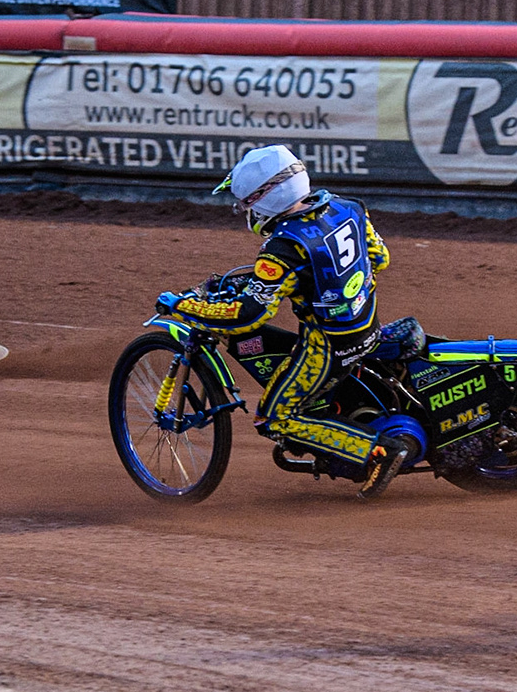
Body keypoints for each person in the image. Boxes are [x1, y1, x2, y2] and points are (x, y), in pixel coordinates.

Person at [159, 144, 410, 499]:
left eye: (246, 203)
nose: (246, 212)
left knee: (275, 417)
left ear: (263, 199)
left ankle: (377, 451)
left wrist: (185, 306)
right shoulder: (348, 207)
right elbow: (379, 258)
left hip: (327, 347)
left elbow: (247, 315)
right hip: (367, 325)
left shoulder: (282, 249)